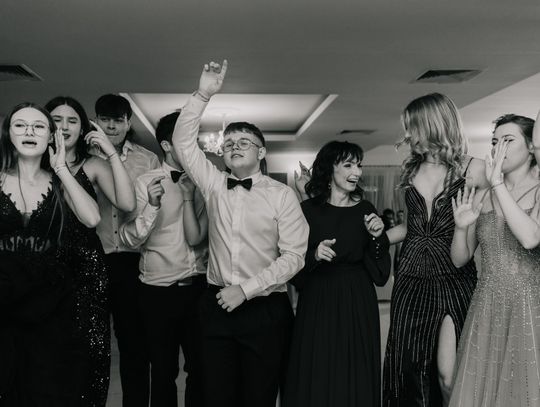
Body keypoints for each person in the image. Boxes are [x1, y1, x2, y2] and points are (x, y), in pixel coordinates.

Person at [171, 60, 309, 407]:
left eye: (245, 141)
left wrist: (245, 290)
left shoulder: (282, 195)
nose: (234, 145)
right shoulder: (214, 185)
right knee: (215, 395)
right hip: (216, 305)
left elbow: (294, 258)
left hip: (266, 309)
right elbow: (183, 144)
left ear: (261, 152)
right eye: (229, 141)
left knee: (258, 396)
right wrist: (203, 94)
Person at [383, 93, 487, 407]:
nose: (407, 135)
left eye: (412, 127)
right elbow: (414, 227)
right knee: (410, 373)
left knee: (449, 375)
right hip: (410, 281)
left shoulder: (475, 169)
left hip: (454, 280)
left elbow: (476, 235)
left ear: (432, 125)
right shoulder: (410, 169)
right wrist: (375, 237)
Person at [0, 103, 101, 405]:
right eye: (20, 125)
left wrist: (61, 167)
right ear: (8, 134)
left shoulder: (60, 181)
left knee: (47, 390)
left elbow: (92, 219)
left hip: (50, 304)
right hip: (3, 301)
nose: (29, 132)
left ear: (51, 137)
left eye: (38, 126)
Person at [283, 141, 391, 407]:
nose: (357, 172)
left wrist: (377, 238)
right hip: (318, 300)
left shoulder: (366, 210)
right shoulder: (306, 211)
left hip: (358, 300)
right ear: (329, 169)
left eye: (359, 165)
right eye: (348, 165)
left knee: (355, 367)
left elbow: (380, 275)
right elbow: (292, 270)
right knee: (318, 366)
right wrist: (314, 255)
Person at [44, 96, 135, 407]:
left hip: (86, 271)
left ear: (82, 128)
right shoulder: (31, 166)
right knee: (45, 353)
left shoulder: (92, 165)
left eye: (72, 120)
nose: (64, 126)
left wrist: (110, 152)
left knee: (88, 355)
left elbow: (127, 203)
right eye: (56, 120)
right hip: (44, 267)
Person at [449, 114, 540, 406]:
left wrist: (497, 183)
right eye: (494, 141)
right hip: (487, 304)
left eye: (508, 140)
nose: (498, 148)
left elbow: (530, 238)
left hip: (530, 304)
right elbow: (460, 259)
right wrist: (461, 228)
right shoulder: (482, 196)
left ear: (531, 146)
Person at [120, 112, 208, 407]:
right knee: (162, 370)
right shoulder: (144, 182)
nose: (194, 147)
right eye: (187, 141)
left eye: (195, 140)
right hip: (158, 292)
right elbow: (129, 238)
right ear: (167, 145)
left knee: (201, 369)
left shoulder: (206, 181)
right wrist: (152, 206)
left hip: (199, 288)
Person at [93, 94, 160, 407]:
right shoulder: (85, 156)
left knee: (134, 342)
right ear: (96, 120)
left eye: (117, 120)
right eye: (105, 119)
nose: (111, 126)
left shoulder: (148, 160)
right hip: (94, 257)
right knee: (91, 341)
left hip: (133, 259)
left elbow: (155, 211)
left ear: (128, 122)